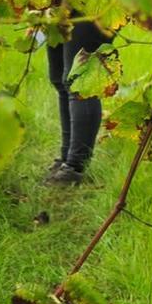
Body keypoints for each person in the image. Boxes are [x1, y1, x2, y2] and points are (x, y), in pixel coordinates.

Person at [43, 16, 111, 185]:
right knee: (59, 78)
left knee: (80, 84)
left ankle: (75, 166)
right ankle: (66, 158)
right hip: (59, 1)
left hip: (91, 2)